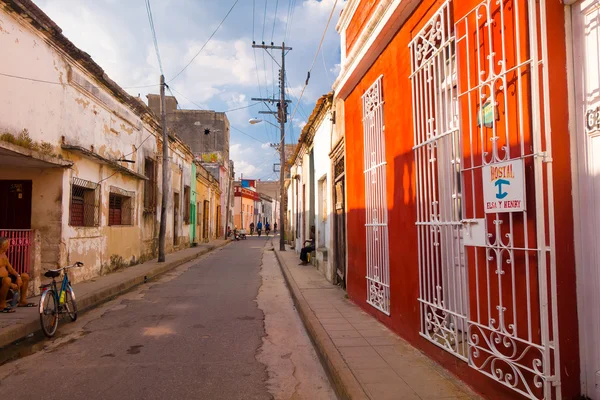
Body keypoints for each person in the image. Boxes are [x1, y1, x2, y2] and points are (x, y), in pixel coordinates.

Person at [0, 237, 34, 313]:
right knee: (7, 280)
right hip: (2, 279)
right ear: (2, 246)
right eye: (7, 244)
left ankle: (23, 301)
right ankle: (2, 305)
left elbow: (10, 269)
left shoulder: (4, 255)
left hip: (6, 278)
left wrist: (18, 277)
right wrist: (11, 284)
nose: (9, 245)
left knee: (25, 276)